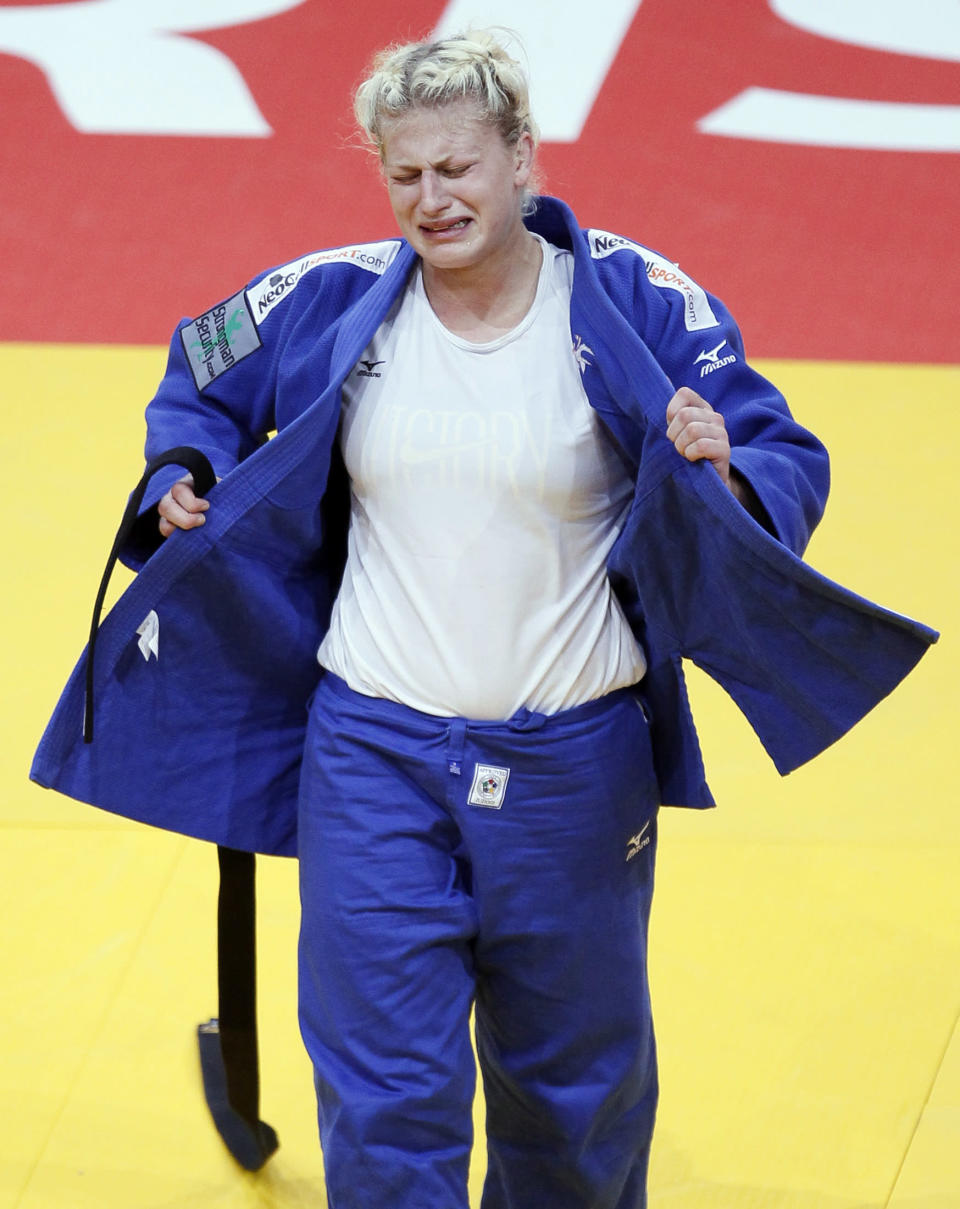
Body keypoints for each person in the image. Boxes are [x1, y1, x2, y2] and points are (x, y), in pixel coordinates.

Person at [30, 26, 935, 1209]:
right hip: (373, 757)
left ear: (521, 157)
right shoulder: (330, 295)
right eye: (404, 174)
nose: (431, 198)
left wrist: (732, 482)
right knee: (383, 1096)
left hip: (574, 767)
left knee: (573, 1100)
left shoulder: (639, 299)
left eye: (456, 167)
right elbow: (202, 360)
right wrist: (180, 465)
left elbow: (776, 445)